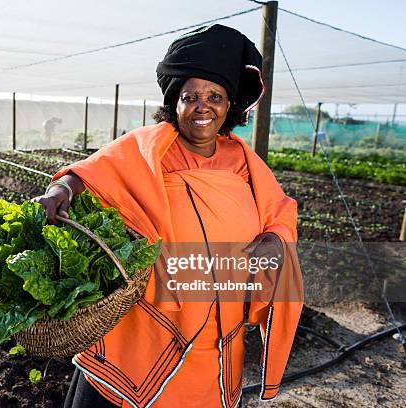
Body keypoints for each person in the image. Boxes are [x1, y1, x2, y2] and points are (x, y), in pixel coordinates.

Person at [34, 24, 303, 408]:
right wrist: (59, 191)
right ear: (175, 102)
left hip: (220, 324)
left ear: (230, 107)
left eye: (215, 96)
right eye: (190, 96)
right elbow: (90, 173)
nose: (202, 105)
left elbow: (281, 212)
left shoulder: (244, 160)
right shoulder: (150, 146)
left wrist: (275, 238)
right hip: (151, 319)